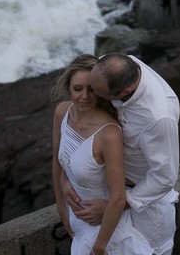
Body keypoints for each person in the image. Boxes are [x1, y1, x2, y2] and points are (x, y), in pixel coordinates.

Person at [68, 53, 180, 255]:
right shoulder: (113, 65)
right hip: (111, 190)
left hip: (146, 206)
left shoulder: (158, 118)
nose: (90, 96)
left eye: (99, 95)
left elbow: (165, 177)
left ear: (125, 91)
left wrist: (116, 205)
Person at [51, 54, 150, 255]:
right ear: (68, 87)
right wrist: (61, 207)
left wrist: (99, 247)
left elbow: (118, 197)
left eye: (91, 90)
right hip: (76, 218)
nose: (84, 97)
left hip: (104, 228)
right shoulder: (62, 112)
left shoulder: (109, 134)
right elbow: (57, 160)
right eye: (78, 89)